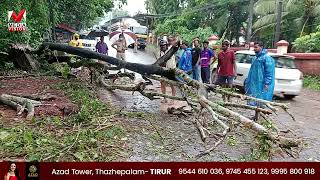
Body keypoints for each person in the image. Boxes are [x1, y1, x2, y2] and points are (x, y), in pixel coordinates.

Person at [245, 41, 275, 121]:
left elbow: (269, 72)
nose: (254, 49)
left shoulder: (266, 58)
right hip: (255, 83)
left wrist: (266, 83)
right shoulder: (255, 58)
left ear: (261, 47)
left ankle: (260, 118)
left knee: (261, 100)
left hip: (261, 84)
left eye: (256, 47)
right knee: (256, 100)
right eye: (254, 47)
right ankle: (256, 116)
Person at [158, 39, 176, 103]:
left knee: (172, 85)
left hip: (170, 70)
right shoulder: (160, 52)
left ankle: (173, 99)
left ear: (166, 46)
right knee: (162, 84)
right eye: (161, 46)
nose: (163, 47)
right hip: (163, 71)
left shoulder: (170, 52)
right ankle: (164, 98)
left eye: (164, 46)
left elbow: (172, 63)